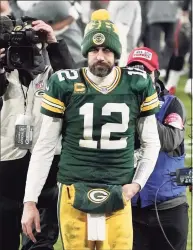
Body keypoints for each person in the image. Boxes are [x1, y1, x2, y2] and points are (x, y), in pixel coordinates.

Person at [21, 9, 160, 250]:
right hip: (73, 190)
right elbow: (44, 146)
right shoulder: (64, 83)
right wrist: (29, 201)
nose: (100, 56)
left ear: (116, 53)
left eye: (106, 50)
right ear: (86, 52)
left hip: (119, 188)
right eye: (94, 50)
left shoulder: (137, 83)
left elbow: (151, 143)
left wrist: (136, 184)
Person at [0, 18, 74, 250]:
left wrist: (53, 43)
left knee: (41, 245)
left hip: (46, 175)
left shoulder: (52, 75)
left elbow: (75, 86)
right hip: (5, 178)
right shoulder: (4, 74)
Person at [127, 47, 188, 250]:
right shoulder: (117, 106)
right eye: (134, 70)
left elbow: (171, 140)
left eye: (144, 71)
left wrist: (143, 109)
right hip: (132, 208)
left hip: (169, 207)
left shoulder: (172, 104)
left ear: (155, 75)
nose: (139, 76)